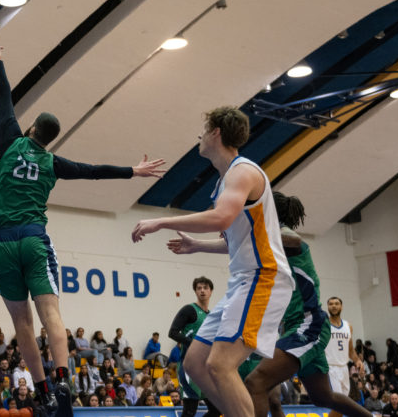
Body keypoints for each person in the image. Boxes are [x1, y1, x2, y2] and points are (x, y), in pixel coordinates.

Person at [0, 26, 165, 417]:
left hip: (2, 244)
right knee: (51, 313)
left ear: (32, 130)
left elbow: (4, 98)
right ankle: (63, 381)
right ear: (48, 140)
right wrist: (132, 172)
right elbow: (93, 171)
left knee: (21, 324)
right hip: (34, 240)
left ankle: (41, 390)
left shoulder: (13, 140)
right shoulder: (53, 162)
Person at [135, 105, 294, 417]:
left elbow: (221, 218)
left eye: (204, 129)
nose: (199, 135)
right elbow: (235, 241)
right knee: (195, 363)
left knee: (221, 365)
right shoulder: (225, 181)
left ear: (216, 133)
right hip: (243, 281)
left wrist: (162, 222)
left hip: (263, 278)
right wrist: (196, 246)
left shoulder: (242, 172)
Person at [243, 192, 371, 417]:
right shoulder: (272, 246)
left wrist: (258, 231)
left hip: (307, 325)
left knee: (255, 383)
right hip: (296, 326)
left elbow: (294, 238)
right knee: (322, 397)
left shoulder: (287, 239)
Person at [168, 276, 221, 417]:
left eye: (205, 288)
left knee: (217, 409)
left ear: (211, 291)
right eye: (199, 288)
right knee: (189, 411)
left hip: (205, 369)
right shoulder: (189, 310)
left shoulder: (211, 315)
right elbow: (172, 332)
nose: (202, 291)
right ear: (195, 291)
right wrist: (193, 344)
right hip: (189, 367)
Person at [325, 296, 363, 417]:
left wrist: (357, 360)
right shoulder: (323, 325)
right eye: (331, 304)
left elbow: (350, 350)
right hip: (330, 368)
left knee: (342, 406)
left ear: (341, 306)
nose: (334, 306)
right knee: (339, 403)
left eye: (336, 303)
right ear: (328, 307)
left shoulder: (348, 326)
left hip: (344, 368)